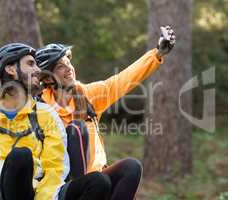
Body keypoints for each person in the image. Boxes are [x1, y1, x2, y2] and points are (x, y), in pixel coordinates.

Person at [35, 26, 176, 199]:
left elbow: (122, 81)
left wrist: (157, 54)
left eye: (68, 62)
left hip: (98, 179)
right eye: (60, 66)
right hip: (63, 186)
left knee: (131, 167)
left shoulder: (88, 95)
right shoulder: (40, 109)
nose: (69, 68)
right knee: (79, 137)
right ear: (48, 78)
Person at [0, 43, 111, 200]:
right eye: (30, 64)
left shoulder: (46, 114)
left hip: (45, 194)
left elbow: (56, 167)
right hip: (4, 194)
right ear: (11, 69)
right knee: (21, 156)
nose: (38, 70)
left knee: (99, 182)